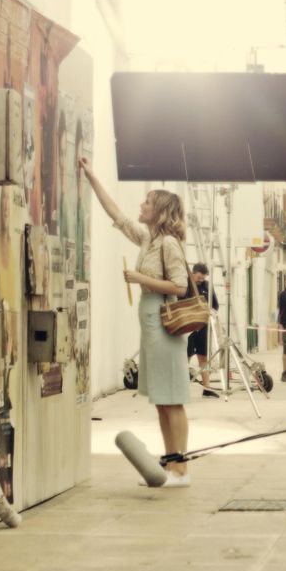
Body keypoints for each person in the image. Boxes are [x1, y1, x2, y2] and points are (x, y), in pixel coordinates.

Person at [80, 156, 194, 486]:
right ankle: (171, 465)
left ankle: (180, 470)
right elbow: (117, 215)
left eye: (148, 202)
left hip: (164, 322)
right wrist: (91, 176)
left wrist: (138, 277)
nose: (142, 205)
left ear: (160, 211)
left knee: (172, 398)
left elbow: (180, 286)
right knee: (161, 399)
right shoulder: (148, 239)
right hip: (151, 322)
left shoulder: (168, 243)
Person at [186, 264, 220, 397]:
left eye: (203, 277)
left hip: (203, 326)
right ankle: (181, 388)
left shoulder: (207, 286)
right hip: (188, 326)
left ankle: (207, 388)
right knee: (185, 357)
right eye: (199, 277)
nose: (201, 280)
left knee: (203, 357)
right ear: (193, 273)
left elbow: (215, 305)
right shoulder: (186, 285)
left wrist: (210, 313)